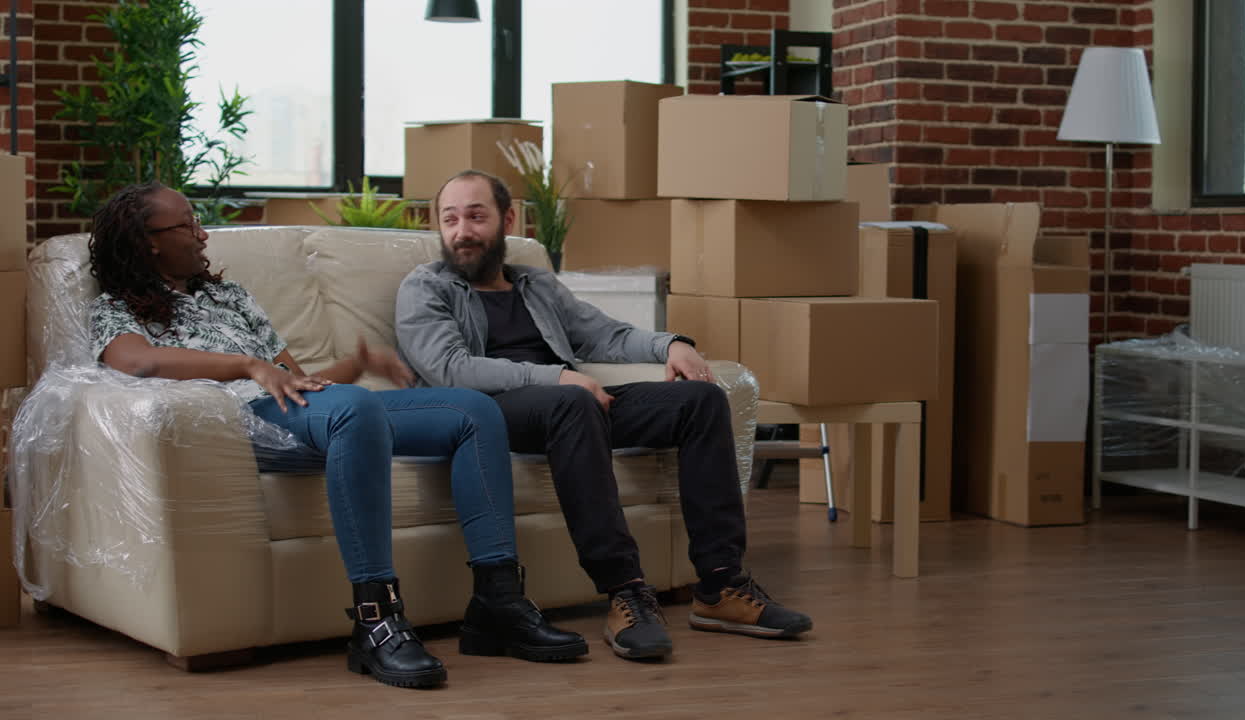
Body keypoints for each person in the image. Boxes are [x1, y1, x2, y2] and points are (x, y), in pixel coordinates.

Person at [87, 183, 587, 689]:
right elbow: (138, 361)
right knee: (356, 408)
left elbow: (300, 383)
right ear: (148, 240)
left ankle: (497, 603)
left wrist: (356, 364)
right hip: (233, 420)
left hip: (297, 409)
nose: (202, 234)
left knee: (473, 411)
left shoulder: (229, 295)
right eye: (188, 224)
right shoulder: (116, 308)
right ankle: (375, 620)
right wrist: (246, 365)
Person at [394, 170, 812, 661]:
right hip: (487, 415)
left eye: (476, 216)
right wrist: (557, 379)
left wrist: (671, 344)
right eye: (450, 219)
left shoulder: (536, 285)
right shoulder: (425, 287)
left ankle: (721, 587)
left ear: (508, 220)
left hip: (570, 410)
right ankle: (625, 591)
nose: (462, 231)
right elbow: (451, 370)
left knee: (700, 401)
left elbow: (605, 335)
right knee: (575, 402)